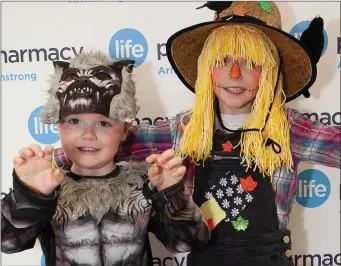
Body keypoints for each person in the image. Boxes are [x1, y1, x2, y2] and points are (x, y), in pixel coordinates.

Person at [25, 2, 341, 265]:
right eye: (223, 60)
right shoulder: (185, 130)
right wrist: (51, 165)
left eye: (249, 62)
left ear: (269, 70)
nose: (234, 73)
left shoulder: (290, 129)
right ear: (207, 68)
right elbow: (109, 142)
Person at [1, 51, 209, 266]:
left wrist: (171, 194)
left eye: (103, 123)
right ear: (58, 126)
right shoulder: (50, 188)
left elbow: (187, 243)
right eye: (74, 121)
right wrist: (29, 196)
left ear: (125, 130)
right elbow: (7, 243)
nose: (88, 134)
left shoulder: (143, 184)